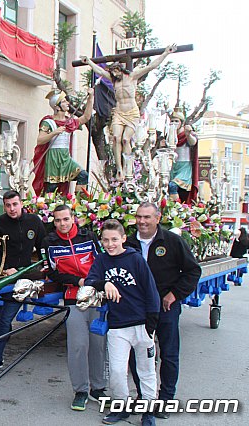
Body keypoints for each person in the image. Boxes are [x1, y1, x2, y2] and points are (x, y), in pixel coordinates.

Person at [126, 202, 201, 419]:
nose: (142, 221)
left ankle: (166, 398)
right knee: (138, 354)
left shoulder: (172, 241)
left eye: (147, 217)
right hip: (138, 309)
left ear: (158, 218)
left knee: (168, 354)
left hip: (166, 306)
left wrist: (174, 294)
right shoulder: (128, 243)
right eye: (139, 217)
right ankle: (143, 396)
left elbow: (192, 271)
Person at [84, 219, 160, 426]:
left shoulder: (135, 260)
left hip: (141, 323)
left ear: (123, 239)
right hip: (117, 325)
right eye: (106, 240)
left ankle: (148, 411)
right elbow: (90, 281)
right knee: (117, 371)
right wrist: (105, 283)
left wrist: (150, 324)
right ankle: (121, 407)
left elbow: (151, 290)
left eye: (114, 239)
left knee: (146, 370)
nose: (110, 244)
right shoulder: (101, 261)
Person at [43, 205, 107, 411]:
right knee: (78, 345)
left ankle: (98, 388)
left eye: (65, 219)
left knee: (98, 343)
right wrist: (77, 281)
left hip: (96, 296)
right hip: (73, 297)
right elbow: (52, 273)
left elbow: (102, 261)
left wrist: (94, 282)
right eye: (58, 220)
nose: (62, 224)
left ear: (73, 219)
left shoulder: (88, 237)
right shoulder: (49, 242)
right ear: (54, 222)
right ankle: (80, 390)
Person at [81, 45, 176, 181]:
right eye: (112, 72)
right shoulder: (113, 80)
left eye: (115, 71)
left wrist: (165, 53)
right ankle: (119, 168)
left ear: (120, 69)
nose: (114, 74)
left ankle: (127, 168)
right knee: (116, 138)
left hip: (131, 112)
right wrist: (89, 62)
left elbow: (151, 67)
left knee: (126, 139)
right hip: (119, 112)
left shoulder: (132, 76)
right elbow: (100, 72)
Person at [0, 190, 46, 382]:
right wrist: (5, 269)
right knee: (0, 320)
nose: (11, 209)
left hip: (24, 278)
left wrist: (46, 267)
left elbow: (44, 246)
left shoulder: (34, 221)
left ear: (21, 203)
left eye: (15, 204)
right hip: (3, 278)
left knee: (5, 320)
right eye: (8, 205)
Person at [32, 88, 93, 196]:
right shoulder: (48, 122)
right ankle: (46, 209)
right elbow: (40, 140)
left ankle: (79, 203)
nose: (68, 103)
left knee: (83, 175)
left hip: (65, 158)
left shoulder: (69, 121)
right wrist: (54, 133)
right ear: (57, 106)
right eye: (64, 101)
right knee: (52, 187)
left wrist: (90, 98)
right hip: (53, 158)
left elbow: (86, 117)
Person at [167, 109, 198, 203]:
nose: (174, 123)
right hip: (173, 166)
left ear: (182, 122)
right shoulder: (169, 136)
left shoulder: (186, 134)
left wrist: (188, 135)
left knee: (172, 185)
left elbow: (193, 142)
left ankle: (176, 206)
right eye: (172, 121)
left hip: (184, 167)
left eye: (176, 121)